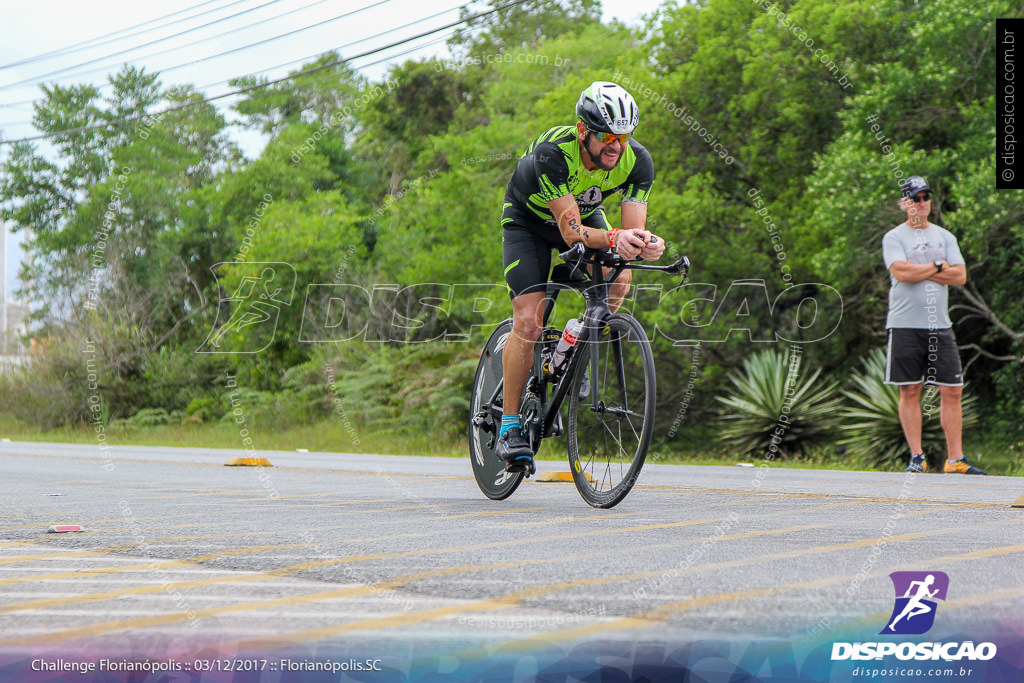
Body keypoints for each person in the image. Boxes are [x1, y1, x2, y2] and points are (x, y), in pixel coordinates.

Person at [495, 81, 666, 471]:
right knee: (529, 320)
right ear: (583, 130)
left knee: (620, 275)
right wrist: (616, 237)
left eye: (623, 137)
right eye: (606, 136)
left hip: (584, 216)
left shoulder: (637, 162)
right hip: (530, 223)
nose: (616, 146)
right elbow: (571, 233)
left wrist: (646, 242)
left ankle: (572, 346)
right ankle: (509, 426)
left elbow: (630, 233)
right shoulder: (553, 153)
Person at [882, 175, 985, 475]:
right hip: (903, 325)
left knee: (952, 389)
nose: (922, 203)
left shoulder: (944, 236)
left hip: (939, 326)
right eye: (916, 198)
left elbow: (960, 276)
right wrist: (939, 266)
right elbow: (901, 272)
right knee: (910, 390)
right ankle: (917, 456)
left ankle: (955, 459)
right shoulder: (894, 237)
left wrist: (923, 270)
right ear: (904, 203)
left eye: (926, 197)